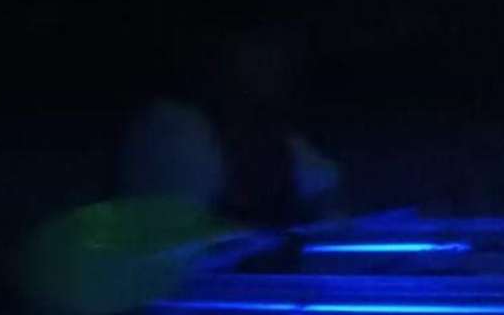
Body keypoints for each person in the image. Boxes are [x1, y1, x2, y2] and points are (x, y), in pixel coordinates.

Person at [118, 22, 343, 232]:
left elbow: (326, 196)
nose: (278, 66)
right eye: (260, 50)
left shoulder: (276, 135)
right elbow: (177, 231)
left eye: (281, 52)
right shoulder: (173, 127)